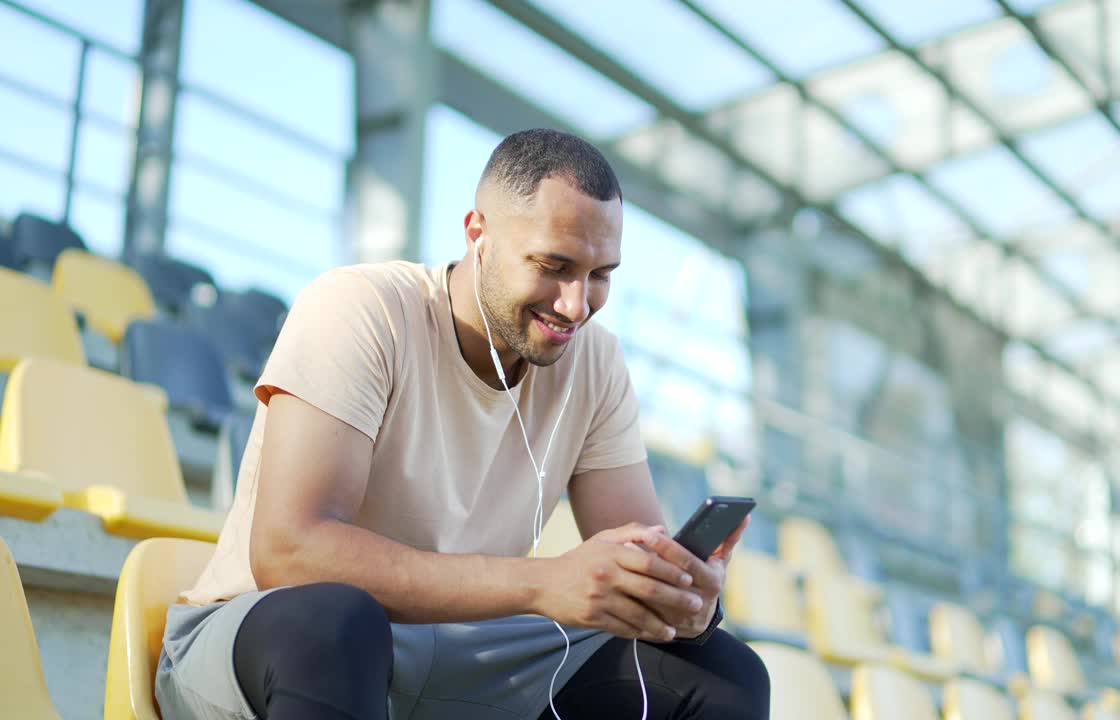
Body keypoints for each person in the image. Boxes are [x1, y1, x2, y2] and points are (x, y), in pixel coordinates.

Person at [156, 128, 771, 720]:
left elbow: (635, 560)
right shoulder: (360, 309)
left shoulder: (597, 362)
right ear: (478, 234)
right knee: (338, 625)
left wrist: (683, 600)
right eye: (553, 265)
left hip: (459, 654)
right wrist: (538, 585)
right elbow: (292, 553)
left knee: (724, 674)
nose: (576, 304)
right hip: (269, 641)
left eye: (601, 274)